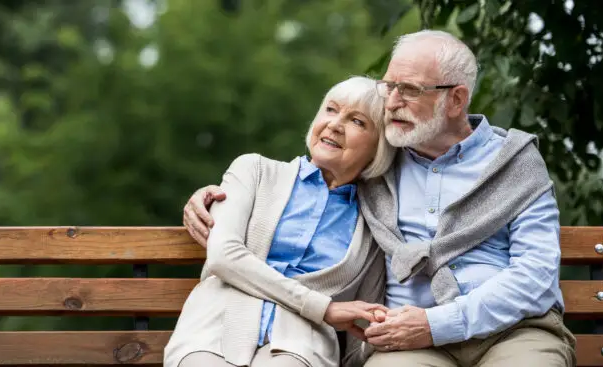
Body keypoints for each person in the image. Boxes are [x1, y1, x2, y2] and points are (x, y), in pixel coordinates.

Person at [181, 30, 576, 367]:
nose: (391, 101)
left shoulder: (515, 162)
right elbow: (316, 174)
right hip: (407, 340)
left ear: (456, 100)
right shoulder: (380, 163)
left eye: (409, 90)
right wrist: (216, 197)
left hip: (513, 331)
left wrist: (437, 323)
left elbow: (536, 275)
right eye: (389, 86)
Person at [164, 76, 397, 367]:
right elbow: (224, 256)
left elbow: (361, 330)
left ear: (379, 147)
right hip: (215, 327)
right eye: (331, 109)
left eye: (357, 121)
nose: (335, 124)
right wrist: (324, 308)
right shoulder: (254, 171)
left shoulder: (373, 222)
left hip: (301, 347)